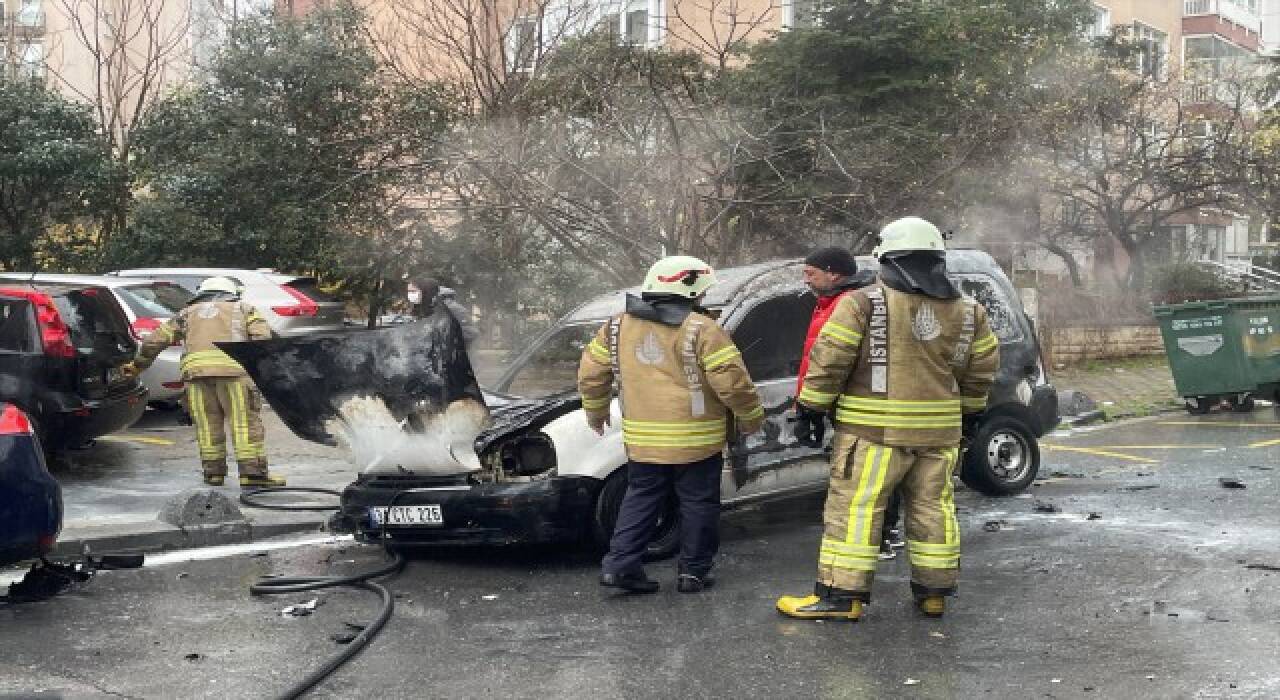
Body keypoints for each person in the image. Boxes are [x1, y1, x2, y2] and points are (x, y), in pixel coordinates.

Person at [778, 217, 1000, 621]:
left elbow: (831, 360)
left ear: (887, 258)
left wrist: (810, 409)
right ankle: (933, 594)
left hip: (872, 437)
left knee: (856, 510)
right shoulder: (970, 312)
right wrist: (970, 414)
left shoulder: (862, 303)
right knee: (933, 509)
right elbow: (981, 371)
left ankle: (840, 597)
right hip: (940, 438)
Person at [578, 255, 765, 594]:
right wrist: (751, 417)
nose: (703, 297)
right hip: (697, 440)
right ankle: (693, 572)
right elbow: (732, 383)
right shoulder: (702, 328)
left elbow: (591, 374)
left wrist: (596, 412)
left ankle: (620, 567)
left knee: (641, 498)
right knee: (698, 503)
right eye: (701, 291)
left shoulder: (616, 326)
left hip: (643, 441)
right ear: (689, 289)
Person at [795, 247, 904, 561]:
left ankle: (881, 535)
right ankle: (884, 532)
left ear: (833, 274)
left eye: (811, 273)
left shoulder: (851, 304)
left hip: (857, 405)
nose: (806, 280)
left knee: (868, 475)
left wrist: (811, 405)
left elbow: (832, 361)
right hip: (839, 403)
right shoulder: (828, 303)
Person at [123, 276, 283, 488]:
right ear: (232, 292)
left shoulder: (186, 314)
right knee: (244, 424)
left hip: (196, 377)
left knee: (207, 425)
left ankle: (213, 474)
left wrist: (137, 366)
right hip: (234, 375)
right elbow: (262, 340)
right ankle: (253, 475)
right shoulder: (244, 309)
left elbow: (154, 341)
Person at [407, 277, 480, 348]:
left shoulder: (449, 307)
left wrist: (446, 339)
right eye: (409, 291)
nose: (410, 294)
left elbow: (470, 331)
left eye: (413, 291)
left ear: (424, 291)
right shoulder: (419, 309)